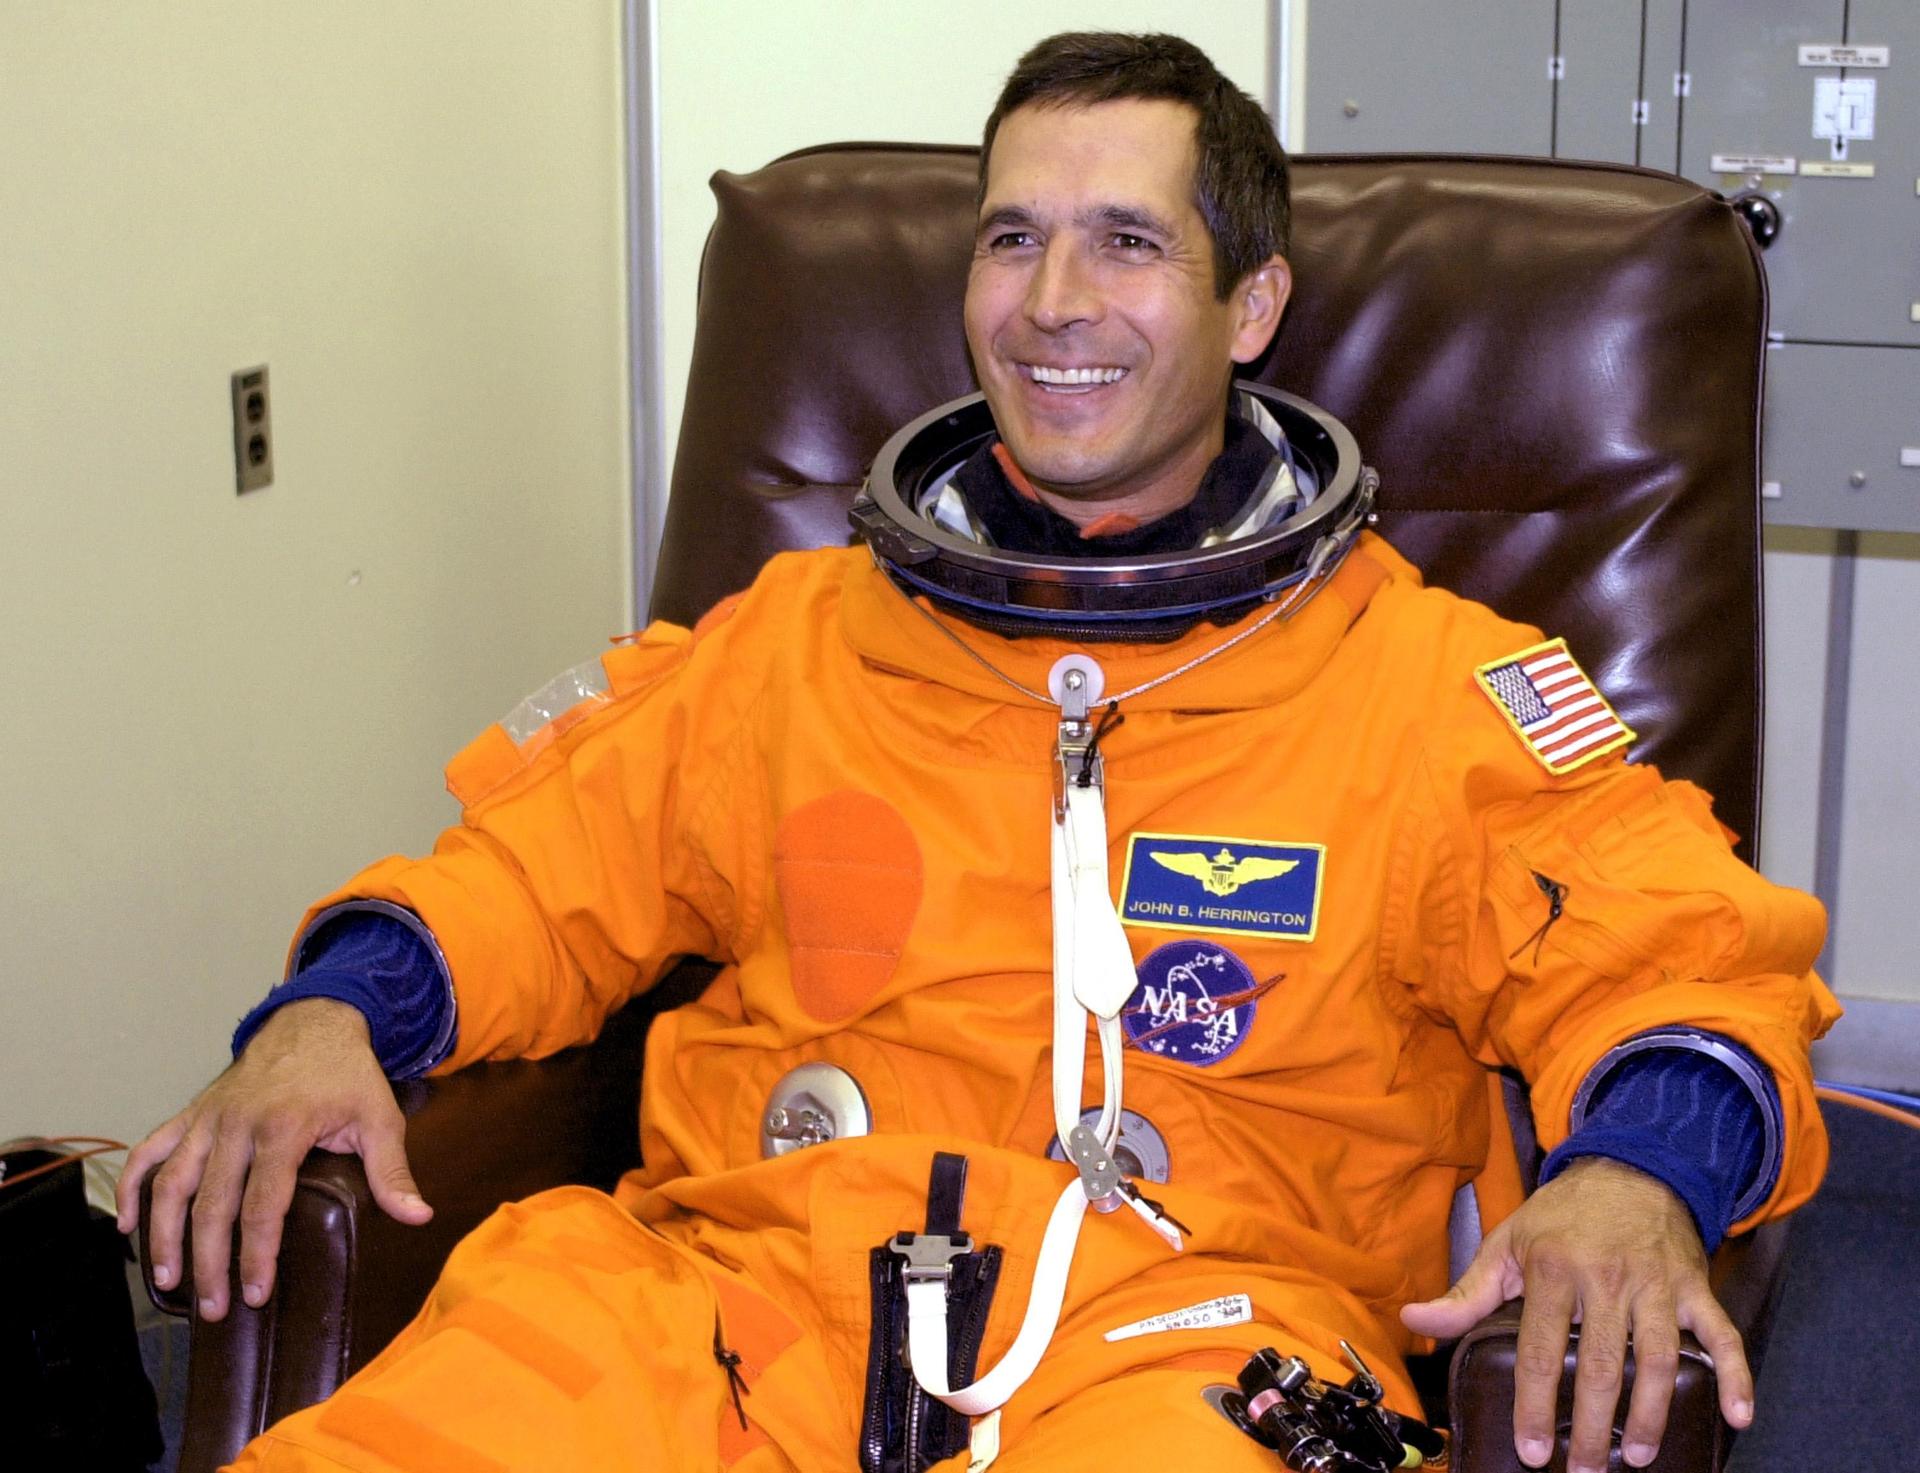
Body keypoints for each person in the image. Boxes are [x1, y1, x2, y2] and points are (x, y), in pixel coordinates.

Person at [119, 32, 1837, 1473]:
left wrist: (1639, 1166)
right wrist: (338, 1007)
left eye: (1127, 243)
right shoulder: (796, 643)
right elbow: (529, 866)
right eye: (1012, 240)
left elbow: (1677, 953)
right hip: (728, 1297)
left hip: (1192, 1334)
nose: (1052, 303)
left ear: (1252, 304)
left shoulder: (1424, 689)